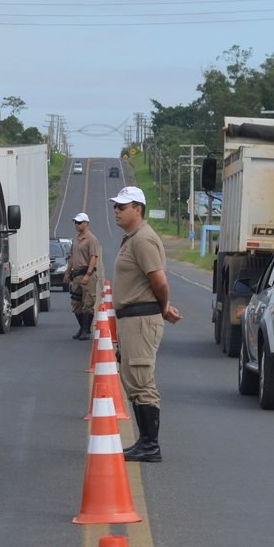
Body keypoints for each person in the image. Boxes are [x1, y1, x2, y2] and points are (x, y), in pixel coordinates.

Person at [109, 186, 181, 464]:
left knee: (141, 380)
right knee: (133, 381)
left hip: (141, 319)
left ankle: (151, 446)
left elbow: (159, 281)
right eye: (116, 206)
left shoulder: (143, 240)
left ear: (137, 208)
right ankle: (143, 441)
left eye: (122, 206)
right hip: (132, 319)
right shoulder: (132, 238)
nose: (117, 210)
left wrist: (163, 308)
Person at [65, 212, 100, 339]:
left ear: (86, 223)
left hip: (87, 274)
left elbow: (93, 257)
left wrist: (88, 274)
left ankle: (86, 330)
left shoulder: (91, 239)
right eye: (75, 222)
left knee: (88, 302)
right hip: (77, 274)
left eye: (79, 222)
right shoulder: (75, 239)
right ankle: (82, 327)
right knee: (76, 303)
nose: (77, 224)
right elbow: (72, 257)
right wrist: (68, 272)